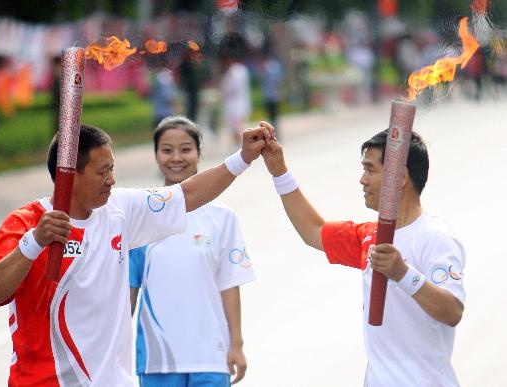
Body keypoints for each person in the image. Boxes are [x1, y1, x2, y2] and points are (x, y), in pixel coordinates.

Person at [0, 122, 270, 386]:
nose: (111, 180)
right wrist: (34, 243)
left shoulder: (120, 209)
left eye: (112, 169)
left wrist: (243, 157)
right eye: (102, 172)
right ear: (68, 176)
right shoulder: (25, 223)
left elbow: (189, 195)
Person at [260, 123, 466, 386]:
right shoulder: (372, 237)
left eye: (370, 169)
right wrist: (279, 171)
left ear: (399, 178)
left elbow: (452, 311)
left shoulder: (435, 237)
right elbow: (313, 230)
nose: (362, 179)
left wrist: (402, 274)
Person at [130, 116, 255, 387]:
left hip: (210, 355)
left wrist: (237, 344)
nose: (176, 157)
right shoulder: (140, 216)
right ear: (156, 156)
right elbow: (129, 291)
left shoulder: (223, 217)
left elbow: (229, 284)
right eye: (166, 150)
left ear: (199, 153)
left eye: (186, 149)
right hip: (157, 358)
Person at [218, 33, 252, 146]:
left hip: (236, 103)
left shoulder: (235, 72)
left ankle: (242, 146)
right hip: (236, 102)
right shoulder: (239, 70)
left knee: (237, 126)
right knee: (235, 126)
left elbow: (229, 89)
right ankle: (239, 146)